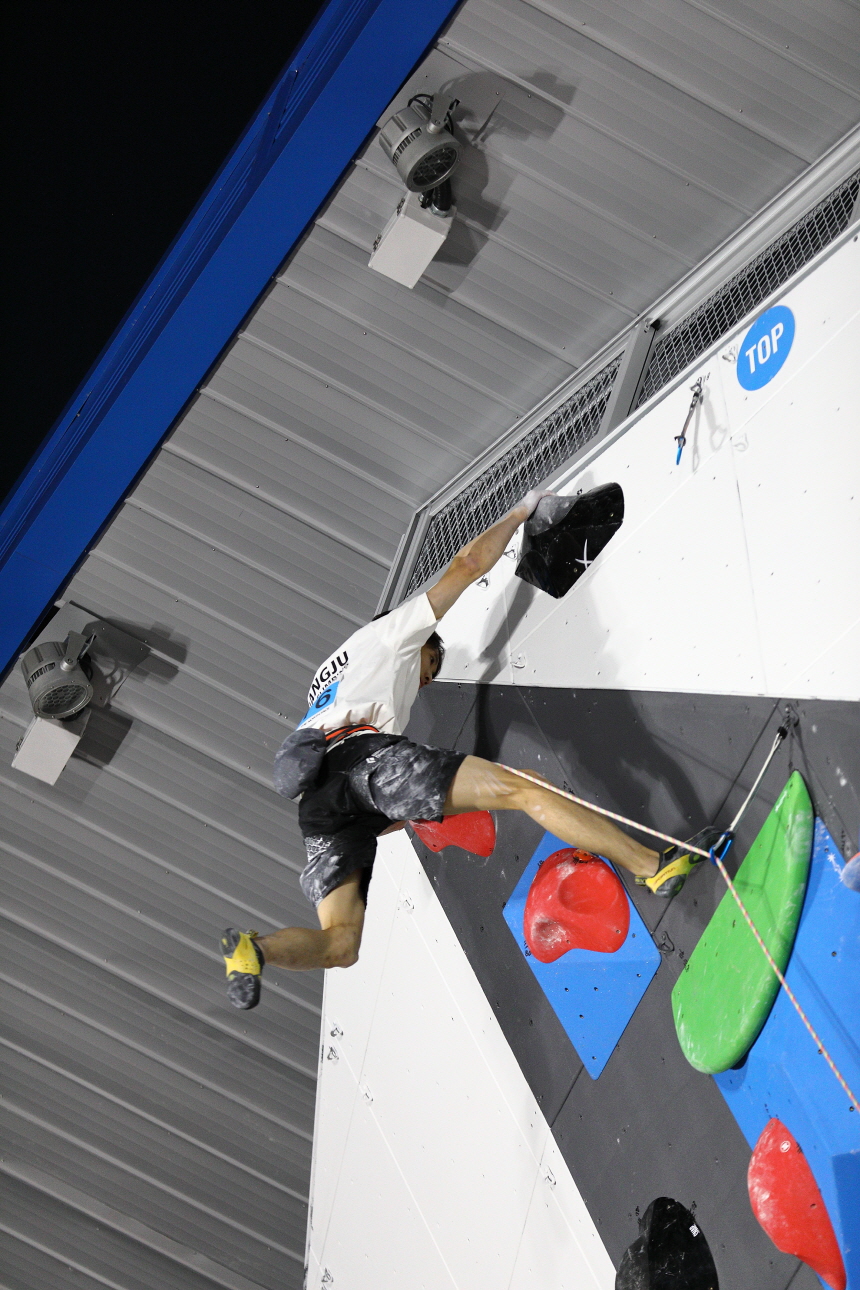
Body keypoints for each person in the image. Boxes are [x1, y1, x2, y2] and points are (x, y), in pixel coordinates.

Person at [220, 491, 708, 1009]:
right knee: (526, 789)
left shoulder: (326, 681)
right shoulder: (390, 636)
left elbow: (376, 812)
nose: (424, 683)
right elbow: (467, 565)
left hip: (319, 810)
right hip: (363, 761)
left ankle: (256, 949)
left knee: (341, 945)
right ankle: (651, 866)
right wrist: (521, 512)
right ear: (421, 643)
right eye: (429, 670)